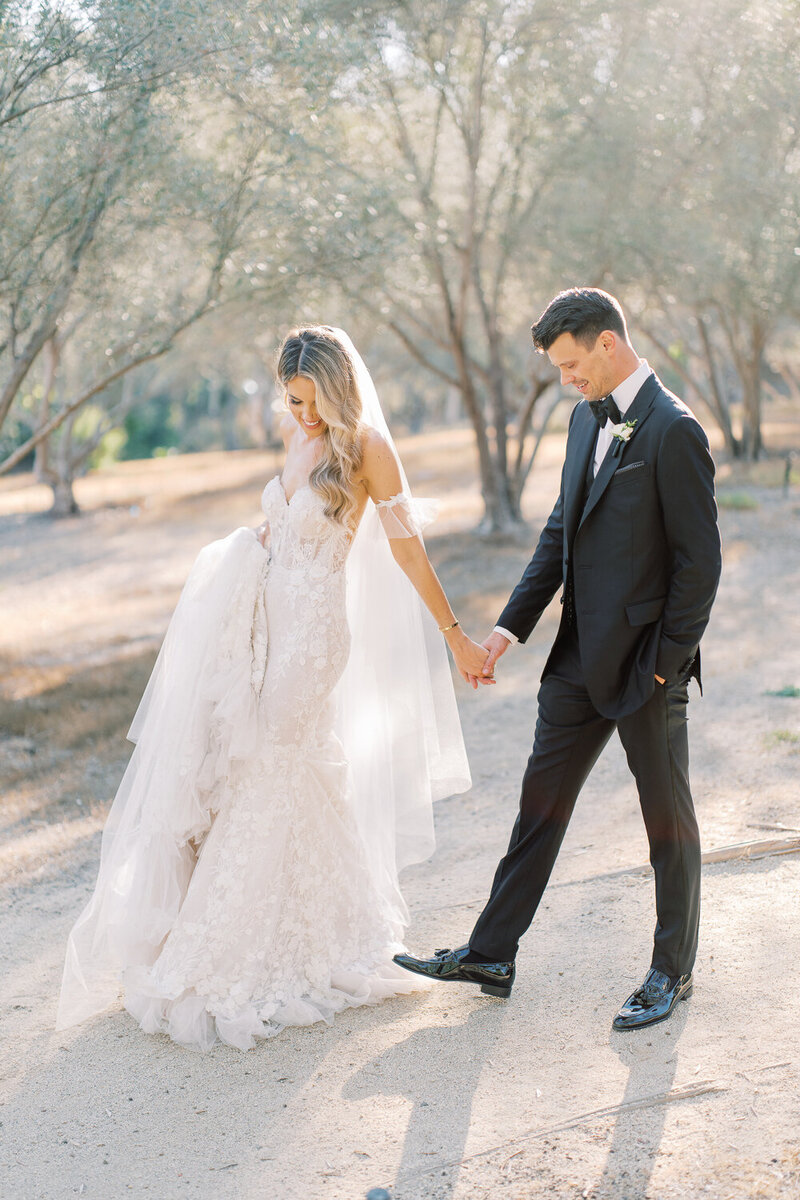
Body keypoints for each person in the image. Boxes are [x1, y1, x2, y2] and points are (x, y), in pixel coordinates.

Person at [57, 325, 489, 1050]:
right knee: (265, 768)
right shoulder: (295, 437)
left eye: (314, 400)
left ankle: (234, 947)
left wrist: (455, 634)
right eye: (293, 400)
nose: (303, 414)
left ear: (340, 388)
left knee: (273, 765)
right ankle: (329, 927)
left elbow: (409, 551)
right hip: (261, 624)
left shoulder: (369, 450)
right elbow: (282, 528)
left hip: (314, 635)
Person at [394, 287, 722, 1030]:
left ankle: (672, 971)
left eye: (574, 365)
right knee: (538, 809)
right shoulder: (583, 419)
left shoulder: (675, 431)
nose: (569, 381)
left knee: (667, 821)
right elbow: (558, 536)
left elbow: (700, 568)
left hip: (647, 666)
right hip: (574, 663)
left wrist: (666, 666)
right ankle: (491, 952)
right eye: (560, 370)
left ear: (608, 342)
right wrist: (506, 633)